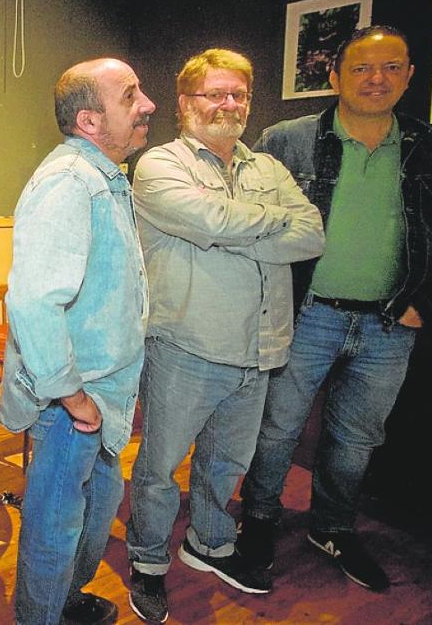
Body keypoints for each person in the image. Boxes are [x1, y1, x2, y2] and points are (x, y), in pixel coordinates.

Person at [239, 26, 432, 592]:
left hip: (390, 324)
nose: (377, 79)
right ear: (335, 77)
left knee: (357, 437)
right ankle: (258, 520)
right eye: (362, 69)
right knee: (277, 429)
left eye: (391, 67)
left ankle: (334, 527)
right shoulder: (287, 140)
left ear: (409, 74)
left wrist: (427, 303)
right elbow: (246, 222)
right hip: (306, 314)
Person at [125, 49, 324, 623]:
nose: (228, 104)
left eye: (237, 94)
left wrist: (229, 226)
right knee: (161, 466)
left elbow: (310, 235)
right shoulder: (159, 165)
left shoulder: (267, 168)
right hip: (186, 345)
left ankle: (210, 545)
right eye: (214, 94)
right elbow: (206, 221)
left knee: (227, 460)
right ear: (186, 103)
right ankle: (148, 561)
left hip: (261, 347)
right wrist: (263, 222)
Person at [0, 58, 156, 625]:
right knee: (56, 525)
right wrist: (71, 395)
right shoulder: (70, 182)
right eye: (130, 95)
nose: (148, 105)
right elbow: (35, 301)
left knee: (93, 513)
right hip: (75, 401)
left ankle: (64, 602)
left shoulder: (103, 176)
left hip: (102, 394)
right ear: (89, 121)